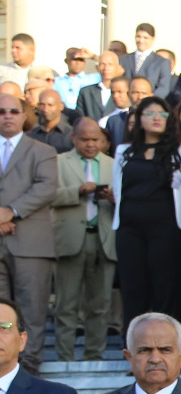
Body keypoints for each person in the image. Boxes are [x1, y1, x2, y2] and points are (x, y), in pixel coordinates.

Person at [111, 96, 181, 324]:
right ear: (139, 119)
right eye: (150, 113)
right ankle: (133, 340)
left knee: (166, 286)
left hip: (168, 227)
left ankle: (169, 339)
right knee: (133, 287)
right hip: (129, 228)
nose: (157, 118)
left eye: (163, 114)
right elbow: (117, 189)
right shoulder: (123, 151)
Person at [0, 93, 59, 373]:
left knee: (32, 309)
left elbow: (46, 187)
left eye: (13, 111)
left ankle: (29, 366)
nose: (7, 116)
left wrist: (11, 211)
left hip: (31, 242)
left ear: (25, 116)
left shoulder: (42, 151)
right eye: (1, 111)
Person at [52, 120, 117, 361]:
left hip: (103, 239)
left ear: (103, 141)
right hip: (69, 240)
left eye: (95, 140)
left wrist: (114, 198)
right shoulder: (58, 162)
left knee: (100, 304)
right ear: (74, 139)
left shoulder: (114, 164)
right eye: (85, 140)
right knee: (66, 304)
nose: (91, 144)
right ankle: (65, 357)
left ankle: (94, 355)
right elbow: (46, 196)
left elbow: (127, 199)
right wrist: (77, 191)